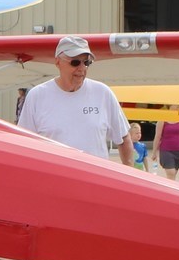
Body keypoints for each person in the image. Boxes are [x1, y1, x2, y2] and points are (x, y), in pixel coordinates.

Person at [16, 35, 135, 165]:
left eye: (86, 62)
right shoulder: (36, 96)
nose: (82, 68)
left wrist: (130, 173)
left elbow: (123, 138)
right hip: (53, 181)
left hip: (95, 181)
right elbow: (24, 145)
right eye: (75, 62)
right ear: (57, 62)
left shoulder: (103, 93)